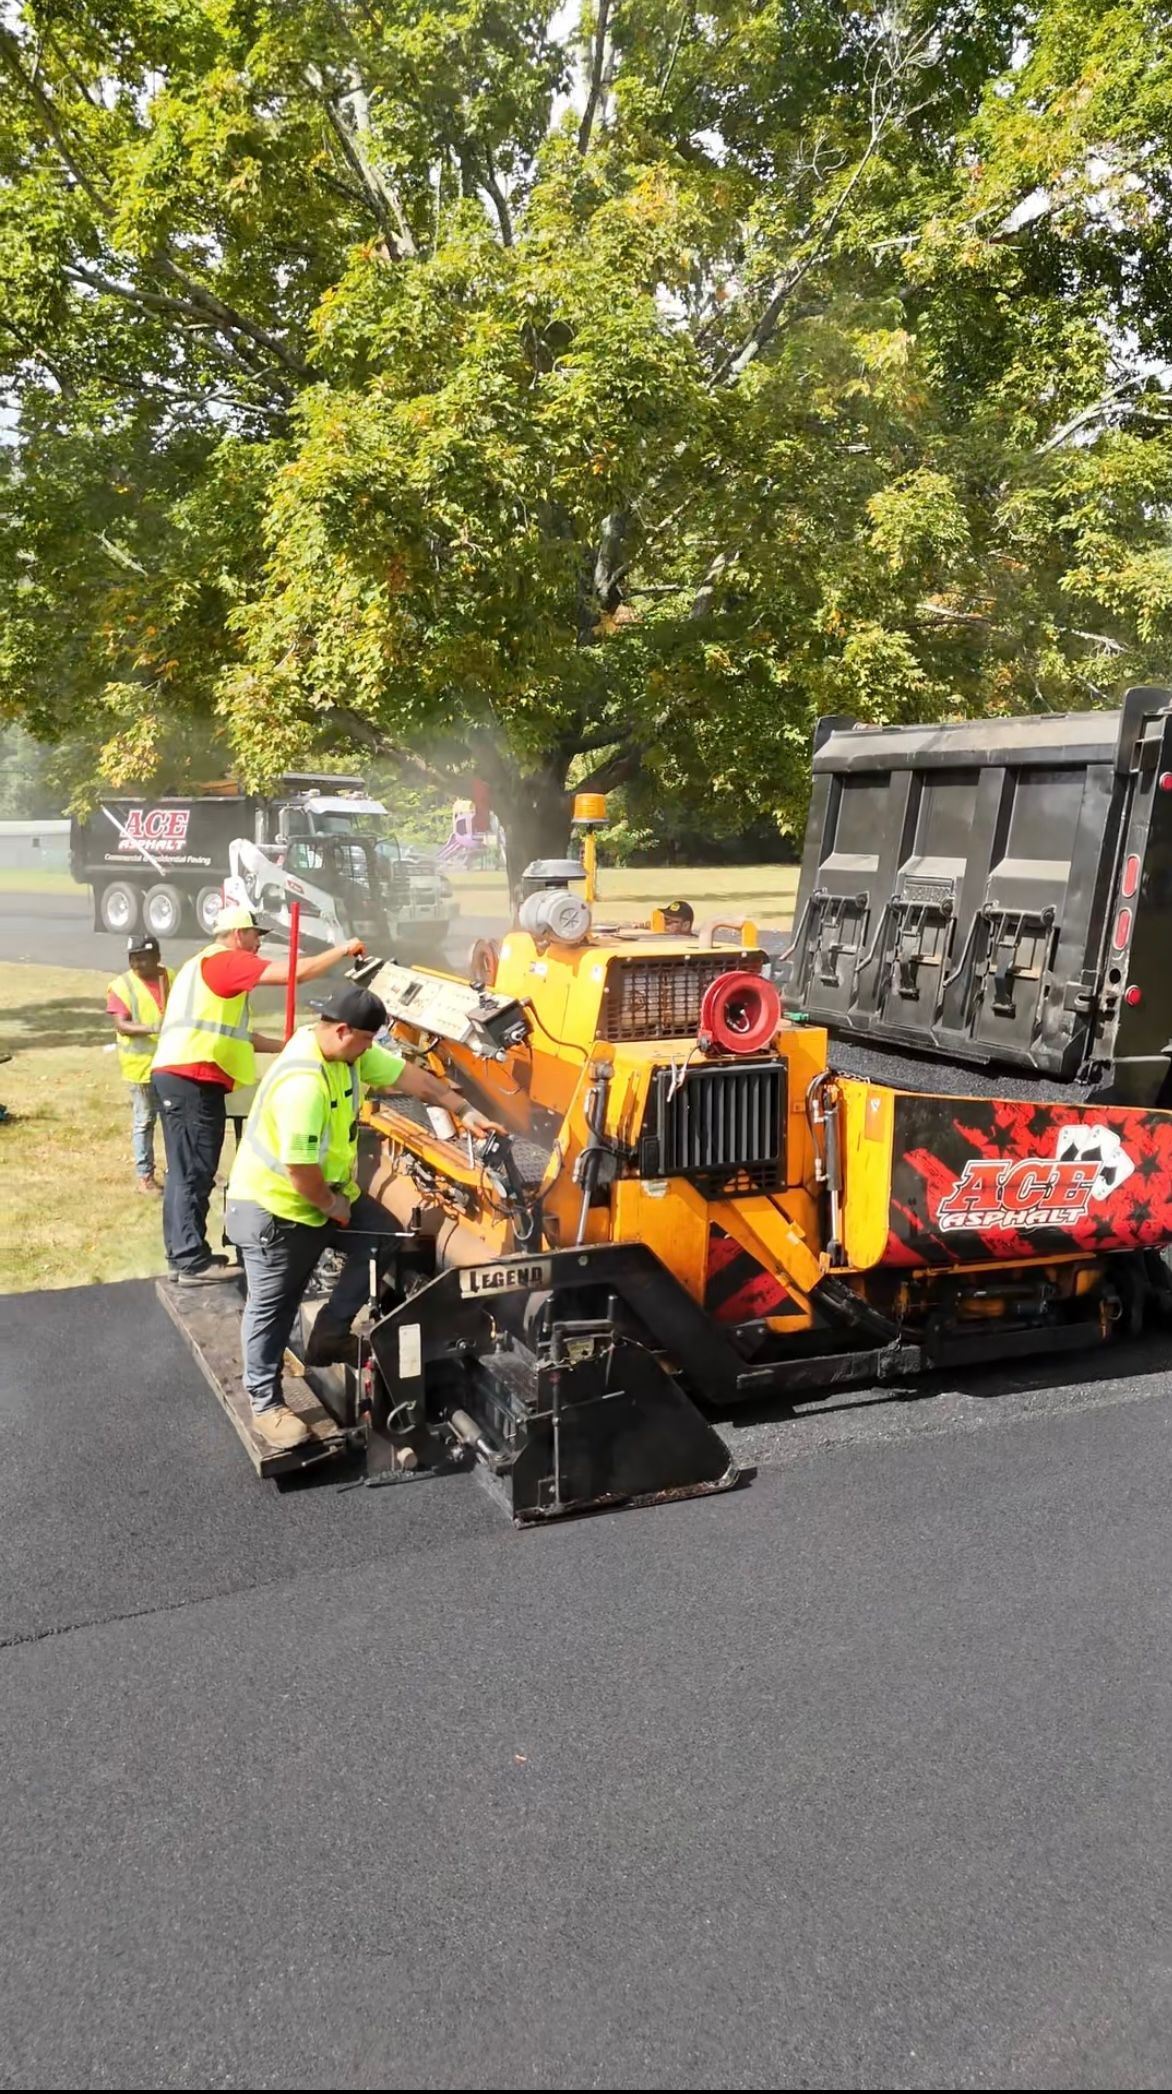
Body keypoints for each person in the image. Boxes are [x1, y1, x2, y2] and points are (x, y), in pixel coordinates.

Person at [225, 983, 501, 1450]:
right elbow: (299, 1171)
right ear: (342, 1030)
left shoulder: (344, 1055)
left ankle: (330, 1335)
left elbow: (413, 1079)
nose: (372, 1050)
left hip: (321, 1197)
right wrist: (333, 1208)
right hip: (277, 1210)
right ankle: (265, 1406)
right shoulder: (304, 1084)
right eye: (368, 1041)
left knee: (383, 1235)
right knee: (274, 1308)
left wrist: (464, 1108)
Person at [151, 905, 365, 1286]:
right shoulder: (226, 962)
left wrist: (288, 1045)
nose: (258, 945)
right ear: (238, 934)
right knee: (193, 1171)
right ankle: (189, 1260)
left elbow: (241, 1036)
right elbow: (298, 973)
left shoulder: (205, 967)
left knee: (189, 1169)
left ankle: (185, 1255)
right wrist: (344, 948)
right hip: (192, 1077)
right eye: (255, 936)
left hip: (187, 1076)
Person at [106, 933, 171, 1193]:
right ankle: (145, 1176)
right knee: (144, 1121)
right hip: (140, 1067)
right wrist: (154, 1028)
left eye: (142, 958)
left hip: (170, 1064)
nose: (136, 964)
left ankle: (177, 1170)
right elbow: (121, 1024)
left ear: (157, 957)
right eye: (132, 958)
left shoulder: (171, 977)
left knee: (173, 1120)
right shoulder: (122, 985)